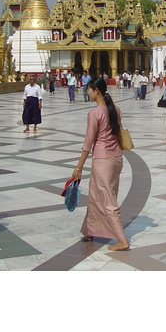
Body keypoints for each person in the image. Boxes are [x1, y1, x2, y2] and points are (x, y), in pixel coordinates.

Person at [71, 77, 129, 252]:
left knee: (107, 199)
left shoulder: (95, 113)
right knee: (96, 194)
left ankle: (122, 239)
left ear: (97, 91)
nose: (87, 92)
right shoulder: (116, 110)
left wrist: (78, 167)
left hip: (103, 160)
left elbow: (88, 143)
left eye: (89, 89)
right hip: (116, 158)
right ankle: (90, 229)